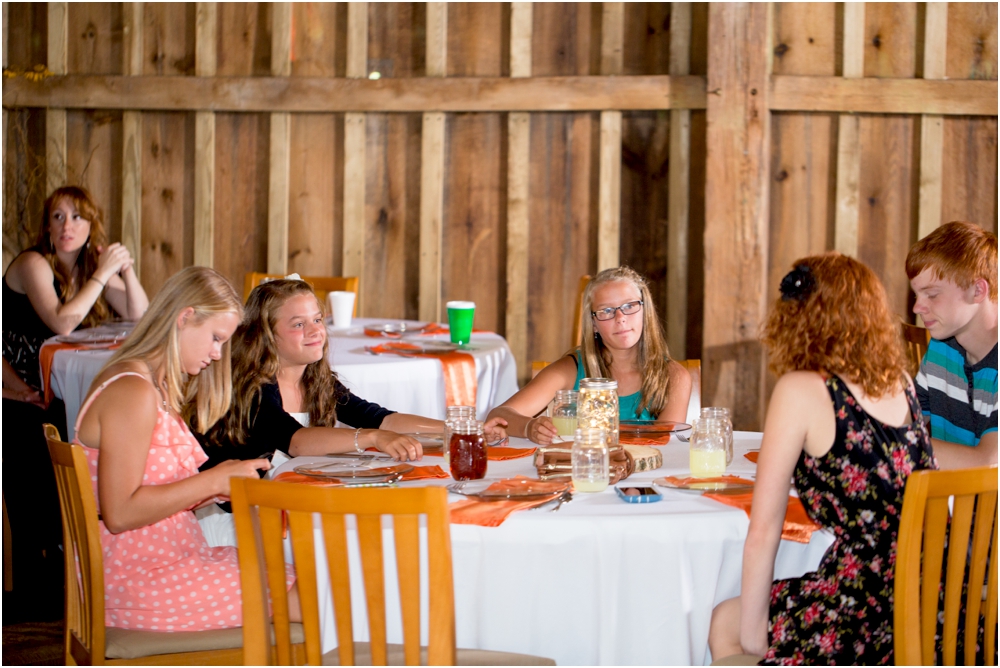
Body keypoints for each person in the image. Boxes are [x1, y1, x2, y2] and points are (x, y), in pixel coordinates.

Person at [708, 253, 935, 664]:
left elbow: (763, 531)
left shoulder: (802, 390)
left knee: (729, 621)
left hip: (871, 606)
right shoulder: (900, 380)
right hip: (936, 594)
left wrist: (755, 636)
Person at [73, 266, 297, 630]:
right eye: (215, 338)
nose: (218, 354)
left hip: (164, 563)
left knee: (304, 579)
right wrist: (212, 482)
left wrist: (228, 484)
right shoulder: (132, 392)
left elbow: (155, 494)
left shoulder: (151, 386)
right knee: (316, 594)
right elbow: (120, 512)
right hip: (139, 581)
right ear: (185, 317)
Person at [2, 185, 148, 620]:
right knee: (42, 441)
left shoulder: (87, 268)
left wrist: (126, 268)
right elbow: (63, 322)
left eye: (78, 218)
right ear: (47, 227)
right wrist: (102, 277)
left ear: (92, 226)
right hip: (14, 393)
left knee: (87, 435)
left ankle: (80, 569)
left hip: (48, 392)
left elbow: (139, 316)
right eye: (59, 217)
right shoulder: (32, 264)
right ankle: (35, 582)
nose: (68, 226)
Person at [200, 278, 507, 470]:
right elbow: (295, 441)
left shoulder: (316, 380)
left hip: (289, 501)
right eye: (298, 324)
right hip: (245, 517)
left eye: (317, 319)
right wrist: (373, 438)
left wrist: (461, 429)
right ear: (266, 335)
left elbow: (382, 418)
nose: (314, 331)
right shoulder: (254, 387)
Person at [487, 266, 691, 444]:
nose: (620, 318)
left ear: (645, 312)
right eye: (606, 311)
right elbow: (500, 415)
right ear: (593, 323)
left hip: (642, 484)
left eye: (629, 306)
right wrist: (529, 428)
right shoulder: (572, 369)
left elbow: (665, 446)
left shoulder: (674, 376)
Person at [905, 221, 998, 469]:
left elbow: (988, 464)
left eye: (932, 294)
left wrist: (902, 445)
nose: (917, 307)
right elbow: (906, 421)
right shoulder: (940, 348)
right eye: (917, 295)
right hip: (950, 504)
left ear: (978, 290)